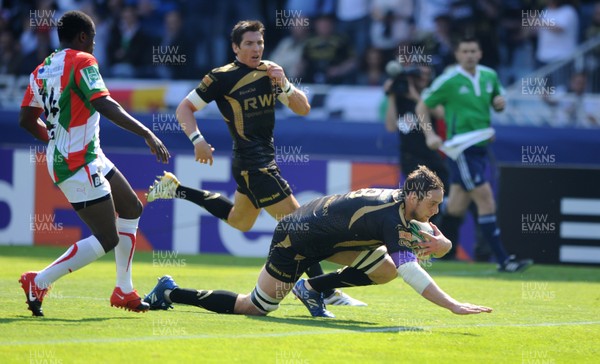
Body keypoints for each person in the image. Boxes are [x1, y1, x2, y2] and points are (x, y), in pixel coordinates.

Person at [145, 20, 364, 306]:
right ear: (235, 47)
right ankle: (323, 290)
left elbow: (303, 109)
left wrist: (284, 84)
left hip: (262, 161)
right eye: (248, 43)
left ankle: (177, 190)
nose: (256, 48)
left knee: (240, 221)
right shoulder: (221, 77)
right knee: (300, 226)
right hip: (253, 164)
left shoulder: (271, 71)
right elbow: (184, 107)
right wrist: (197, 139)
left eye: (259, 43)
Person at [143, 166, 493, 318]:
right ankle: (170, 291)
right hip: (296, 239)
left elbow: (429, 236)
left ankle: (312, 289)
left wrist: (443, 242)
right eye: (433, 204)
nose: (435, 211)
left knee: (384, 269)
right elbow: (412, 273)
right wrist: (452, 305)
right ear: (415, 195)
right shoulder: (392, 216)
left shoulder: (401, 203)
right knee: (256, 307)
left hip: (328, 236)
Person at [18, 10, 171, 316]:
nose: (95, 46)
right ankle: (40, 281)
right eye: (94, 39)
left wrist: (53, 140)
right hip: (76, 161)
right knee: (107, 237)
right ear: (84, 37)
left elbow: (25, 120)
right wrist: (145, 132)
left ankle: (124, 290)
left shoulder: (41, 69)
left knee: (131, 208)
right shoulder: (83, 61)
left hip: (87, 154)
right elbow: (103, 101)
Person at [415, 36, 532, 272]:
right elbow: (422, 106)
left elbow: (498, 102)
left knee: (456, 207)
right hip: (462, 147)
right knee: (486, 199)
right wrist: (429, 136)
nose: (469, 55)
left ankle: (415, 222)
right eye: (465, 51)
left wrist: (500, 103)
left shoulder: (489, 76)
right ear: (458, 55)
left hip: (481, 146)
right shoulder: (449, 80)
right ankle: (504, 260)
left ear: (479, 54)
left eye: (473, 51)